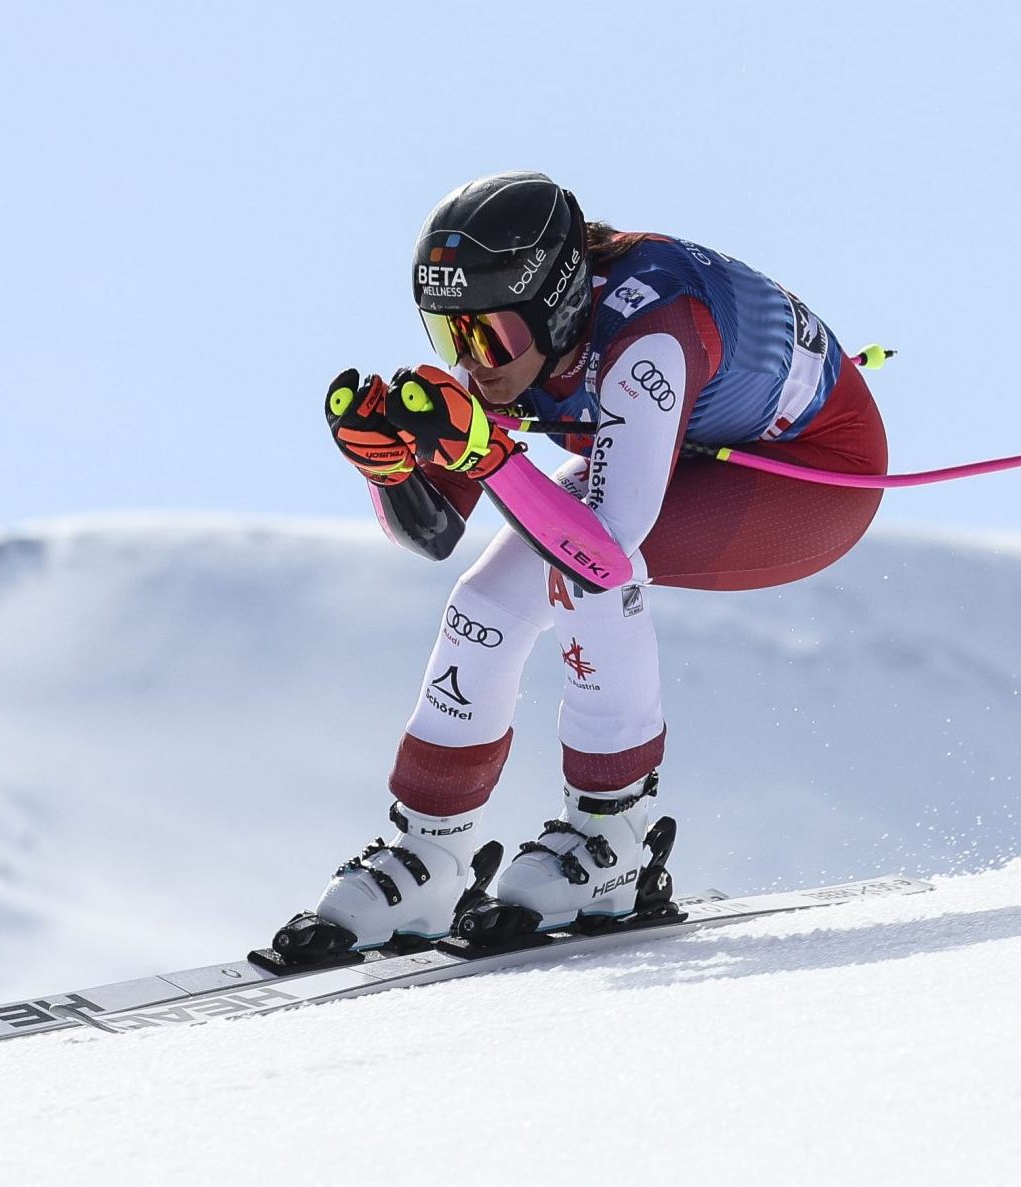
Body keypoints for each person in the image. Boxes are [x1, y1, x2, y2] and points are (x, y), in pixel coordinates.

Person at [279, 170, 888, 957]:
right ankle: (429, 850)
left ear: (556, 303)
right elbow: (433, 535)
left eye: (488, 337)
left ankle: (612, 842)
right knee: (486, 601)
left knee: (584, 573)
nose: (473, 362)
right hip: (676, 447)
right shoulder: (513, 338)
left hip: (808, 477)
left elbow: (603, 551)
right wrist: (390, 470)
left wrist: (491, 456)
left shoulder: (652, 334)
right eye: (447, 336)